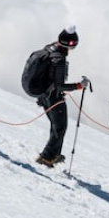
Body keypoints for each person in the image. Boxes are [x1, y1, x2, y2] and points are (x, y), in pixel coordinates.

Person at [34, 27, 90, 167]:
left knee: (56, 126)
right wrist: (79, 85)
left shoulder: (49, 49)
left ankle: (53, 154)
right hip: (53, 97)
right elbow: (59, 86)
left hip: (44, 95)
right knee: (60, 127)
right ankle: (46, 157)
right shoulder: (59, 59)